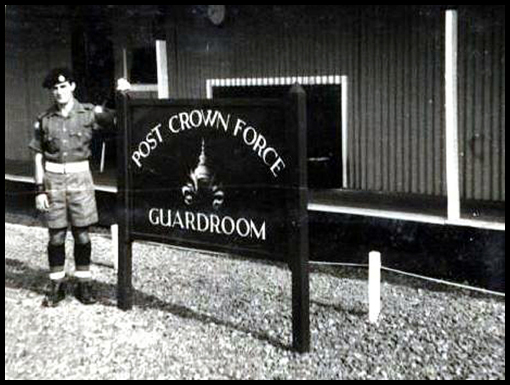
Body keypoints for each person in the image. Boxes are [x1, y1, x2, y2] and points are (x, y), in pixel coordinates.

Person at [29, 68, 129, 307]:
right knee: (56, 235)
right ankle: (57, 284)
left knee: (82, 234)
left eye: (63, 87)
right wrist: (39, 190)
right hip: (53, 183)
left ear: (72, 86)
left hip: (80, 181)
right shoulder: (44, 120)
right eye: (54, 88)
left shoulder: (87, 113)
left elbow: (115, 117)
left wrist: (121, 94)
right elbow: (37, 158)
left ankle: (84, 283)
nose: (59, 92)